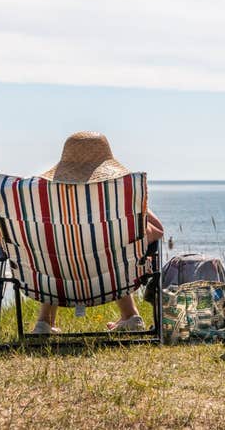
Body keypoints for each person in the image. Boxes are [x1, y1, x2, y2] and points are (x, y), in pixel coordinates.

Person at [31, 132, 165, 334]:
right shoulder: (116, 205)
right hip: (108, 277)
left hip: (55, 276)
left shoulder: (44, 205)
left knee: (56, 253)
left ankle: (44, 322)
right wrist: (139, 206)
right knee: (114, 250)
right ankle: (130, 316)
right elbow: (157, 232)